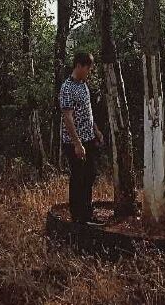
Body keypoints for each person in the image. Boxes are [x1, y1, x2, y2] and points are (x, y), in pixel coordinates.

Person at [59, 50, 105, 224]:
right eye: (88, 68)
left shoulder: (83, 85)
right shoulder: (67, 88)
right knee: (79, 177)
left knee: (90, 175)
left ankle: (87, 213)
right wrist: (77, 144)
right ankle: (78, 216)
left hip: (88, 138)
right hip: (74, 142)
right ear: (79, 66)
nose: (89, 71)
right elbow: (68, 117)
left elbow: (87, 112)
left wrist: (96, 130)